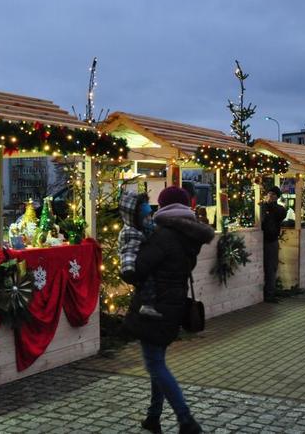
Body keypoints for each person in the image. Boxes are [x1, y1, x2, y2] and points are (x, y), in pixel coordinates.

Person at [122, 186, 214, 434]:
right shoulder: (188, 235)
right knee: (157, 362)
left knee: (155, 365)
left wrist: (132, 251)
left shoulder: (164, 236)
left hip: (156, 307)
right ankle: (153, 417)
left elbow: (137, 271)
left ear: (165, 207)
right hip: (172, 305)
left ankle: (187, 420)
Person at [118, 191, 161, 318]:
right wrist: (128, 268)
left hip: (142, 265)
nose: (149, 219)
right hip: (136, 267)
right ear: (136, 218)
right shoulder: (130, 232)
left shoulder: (145, 228)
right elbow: (128, 252)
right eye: (146, 217)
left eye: (150, 216)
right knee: (147, 282)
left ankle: (148, 304)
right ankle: (147, 305)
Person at [261, 186, 287, 303]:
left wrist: (267, 206)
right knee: (269, 267)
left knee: (271, 267)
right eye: (269, 194)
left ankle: (270, 294)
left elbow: (279, 213)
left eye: (273, 195)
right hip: (264, 240)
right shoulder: (264, 207)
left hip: (271, 240)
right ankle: (268, 293)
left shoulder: (279, 209)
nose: (270, 196)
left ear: (277, 197)